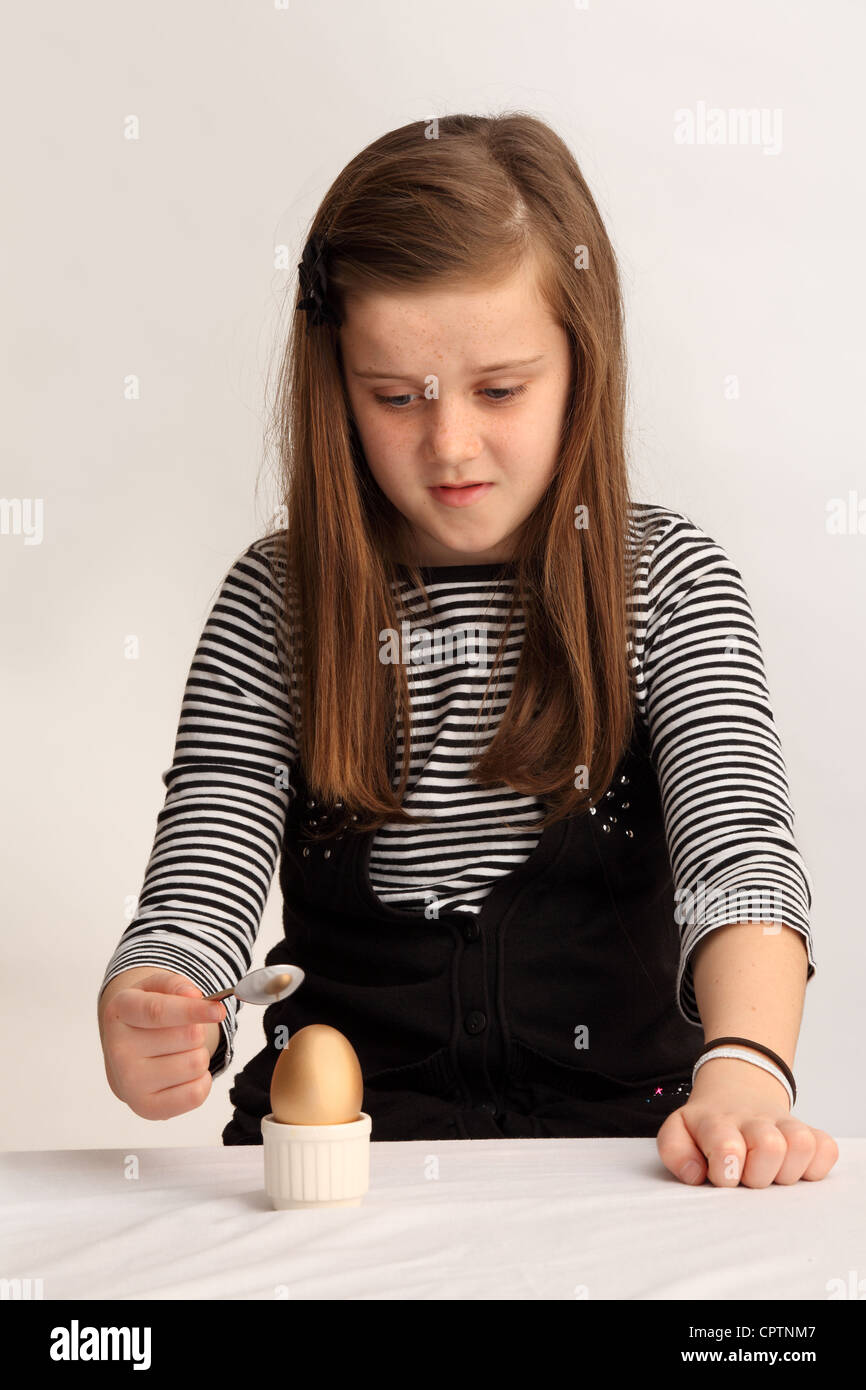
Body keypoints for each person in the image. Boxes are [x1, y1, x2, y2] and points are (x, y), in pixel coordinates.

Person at [97, 112, 838, 1188]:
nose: (449, 445)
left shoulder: (666, 582)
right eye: (394, 397)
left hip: (630, 1165)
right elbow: (202, 872)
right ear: (333, 382)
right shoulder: (274, 605)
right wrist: (158, 999)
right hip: (341, 1174)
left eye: (500, 389)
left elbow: (738, 853)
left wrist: (742, 1070)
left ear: (582, 363)